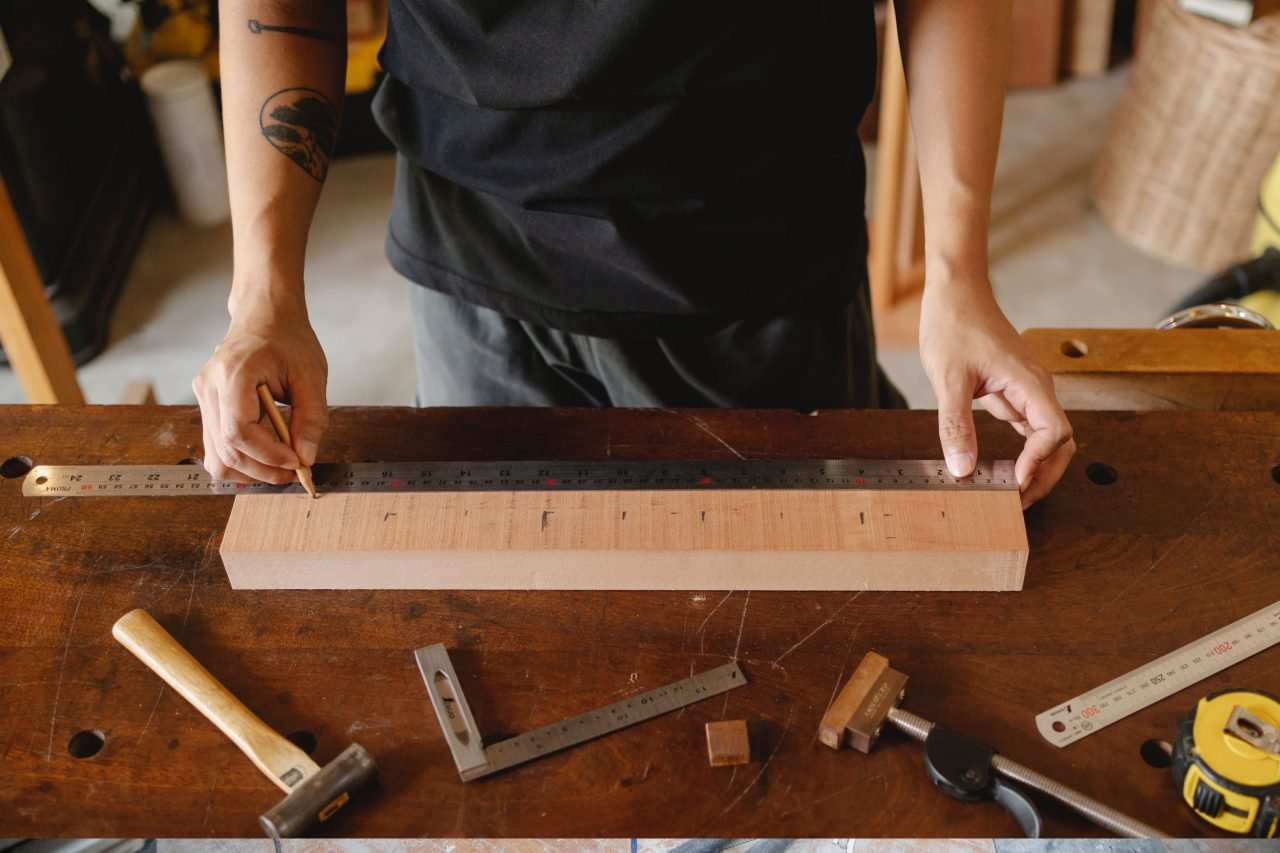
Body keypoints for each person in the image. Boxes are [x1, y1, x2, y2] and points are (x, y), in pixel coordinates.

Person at [194, 0, 1075, 509]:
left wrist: (959, 272)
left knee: (788, 643)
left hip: (755, 278)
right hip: (469, 265)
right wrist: (263, 293)